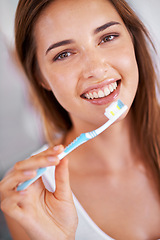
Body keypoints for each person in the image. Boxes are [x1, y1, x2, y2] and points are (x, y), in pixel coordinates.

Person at [0, 0, 160, 239]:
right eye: (64, 54)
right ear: (40, 76)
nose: (95, 69)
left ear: (133, 40)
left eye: (107, 37)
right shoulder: (30, 196)